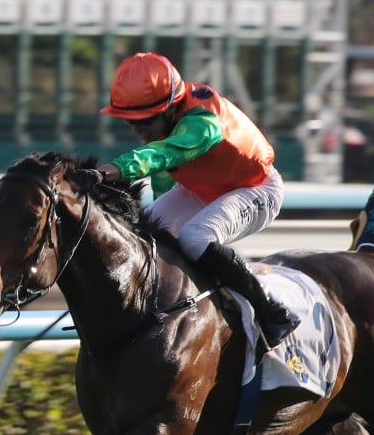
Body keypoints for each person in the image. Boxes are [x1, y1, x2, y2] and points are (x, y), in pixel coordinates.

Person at [72, 52, 298, 354]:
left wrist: (107, 173)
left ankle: (272, 311)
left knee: (195, 237)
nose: (138, 130)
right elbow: (164, 179)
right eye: (130, 122)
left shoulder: (202, 124)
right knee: (146, 232)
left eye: (145, 122)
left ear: (169, 107)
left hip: (256, 189)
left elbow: (164, 154)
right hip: (205, 189)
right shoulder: (168, 121)